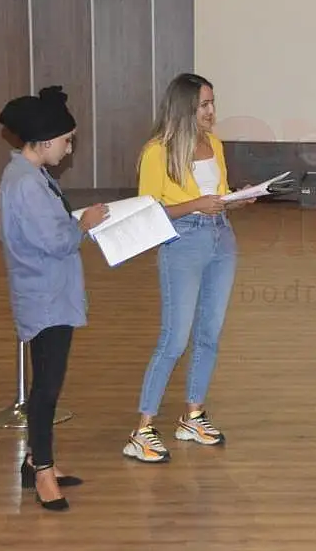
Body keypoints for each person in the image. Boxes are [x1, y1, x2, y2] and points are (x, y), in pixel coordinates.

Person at [122, 73, 254, 463]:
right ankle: (142, 429)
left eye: (212, 103)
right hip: (182, 241)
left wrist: (238, 199)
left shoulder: (214, 144)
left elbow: (219, 196)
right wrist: (197, 205)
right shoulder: (157, 152)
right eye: (203, 105)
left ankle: (193, 415)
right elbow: (147, 211)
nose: (211, 112)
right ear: (184, 108)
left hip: (221, 238)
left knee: (209, 333)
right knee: (174, 339)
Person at [0, 86, 108, 511]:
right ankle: (43, 471)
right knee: (46, 387)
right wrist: (85, 224)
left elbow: (50, 228)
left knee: (47, 380)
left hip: (48, 292)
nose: (69, 148)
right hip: (45, 298)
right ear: (44, 142)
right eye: (67, 140)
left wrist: (77, 222)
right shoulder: (26, 183)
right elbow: (56, 241)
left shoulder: (29, 175)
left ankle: (34, 460)